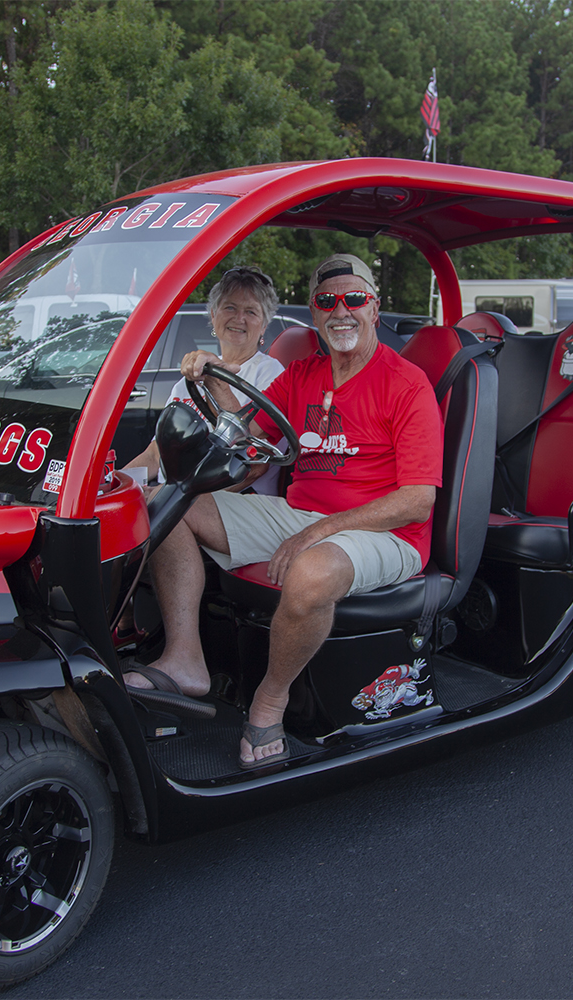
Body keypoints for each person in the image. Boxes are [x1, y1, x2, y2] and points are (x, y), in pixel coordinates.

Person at [127, 253, 443, 768]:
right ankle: (185, 659)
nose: (341, 310)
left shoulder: (406, 383)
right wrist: (213, 381)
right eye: (326, 300)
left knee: (312, 569)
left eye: (354, 299)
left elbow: (417, 501)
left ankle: (270, 701)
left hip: (390, 532)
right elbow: (244, 440)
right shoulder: (300, 375)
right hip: (302, 516)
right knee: (170, 502)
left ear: (374, 308)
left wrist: (318, 532)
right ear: (314, 313)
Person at [125, 265, 285, 494]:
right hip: (171, 492)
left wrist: (182, 500)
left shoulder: (270, 373)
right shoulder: (192, 376)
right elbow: (156, 453)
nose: (239, 318)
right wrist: (113, 483)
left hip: (226, 500)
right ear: (213, 315)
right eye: (230, 307)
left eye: (251, 312)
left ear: (264, 326)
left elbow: (256, 466)